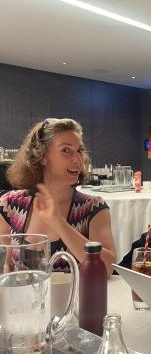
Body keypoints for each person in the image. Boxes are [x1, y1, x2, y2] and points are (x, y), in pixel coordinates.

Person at [0, 118, 116, 278]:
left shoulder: (93, 208)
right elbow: (5, 266)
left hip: (74, 302)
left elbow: (107, 269)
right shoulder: (10, 205)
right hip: (23, 301)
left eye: (80, 151)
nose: (78, 159)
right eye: (66, 150)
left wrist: (59, 223)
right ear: (42, 156)